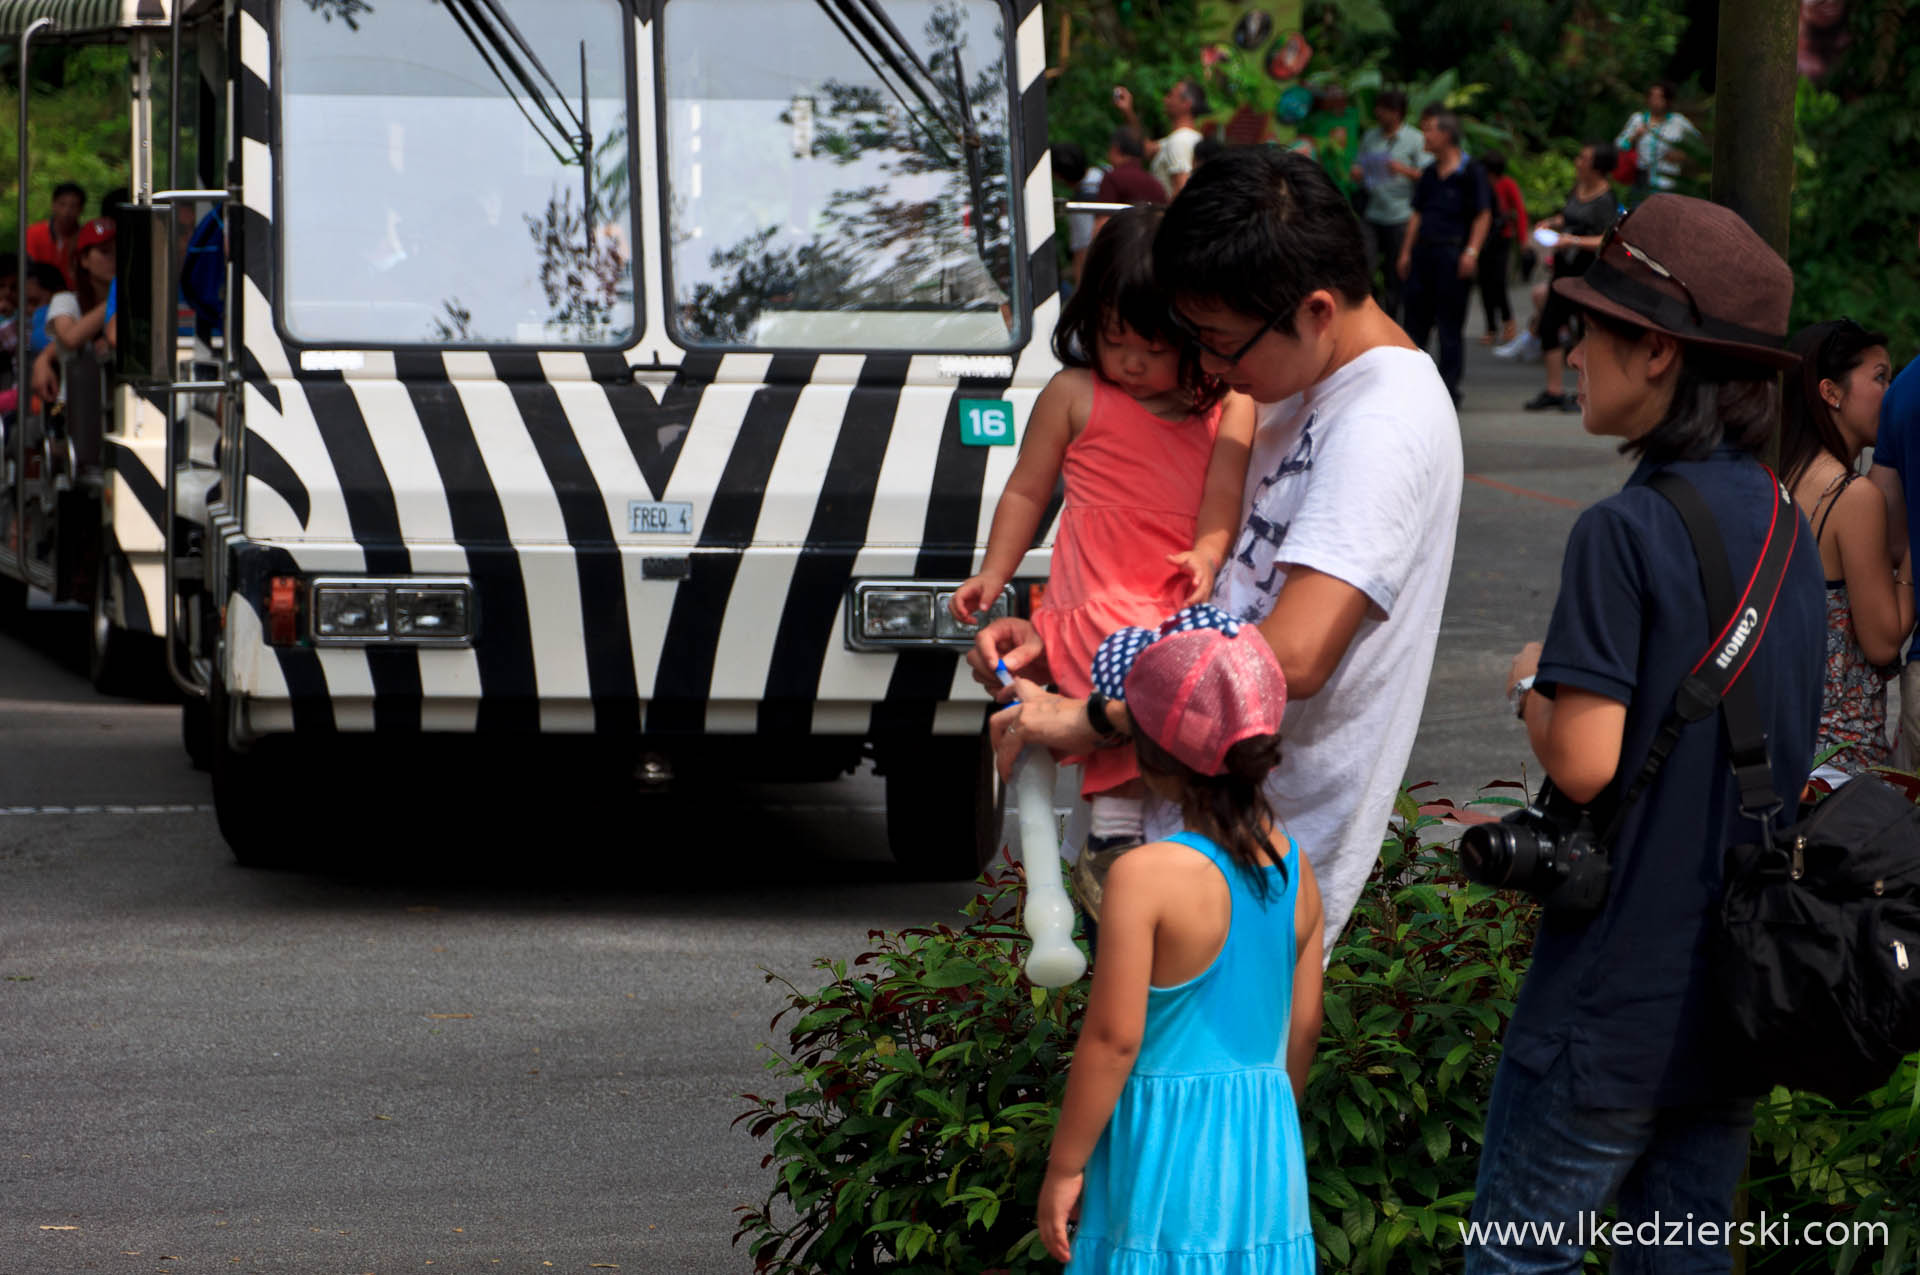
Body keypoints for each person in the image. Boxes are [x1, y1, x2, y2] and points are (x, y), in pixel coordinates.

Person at [974, 147, 1463, 955]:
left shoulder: (1382, 426)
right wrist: (1067, 642)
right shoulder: (1294, 386)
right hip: (1178, 848)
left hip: (1241, 881)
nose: (1203, 367)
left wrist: (1098, 717)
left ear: (1312, 310)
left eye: (1217, 342)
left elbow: (1292, 655)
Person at [1470, 195, 1824, 1274]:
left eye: (1592, 330)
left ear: (1660, 352)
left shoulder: (1623, 531)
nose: (1572, 354)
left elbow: (1584, 759)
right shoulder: (1786, 525)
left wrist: (1535, 683)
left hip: (1607, 1005)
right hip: (1729, 1002)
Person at [949, 206, 1253, 853]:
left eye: (1154, 348)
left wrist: (1207, 549)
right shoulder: (1074, 393)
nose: (1132, 363)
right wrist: (994, 573)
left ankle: (1156, 848)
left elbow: (1224, 494)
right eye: (1115, 341)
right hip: (1097, 602)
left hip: (1177, 599)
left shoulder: (1228, 406)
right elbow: (1026, 489)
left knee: (1177, 704)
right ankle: (1113, 841)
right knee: (1125, 663)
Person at [1034, 623, 1322, 1274]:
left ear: (1153, 752)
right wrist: (1265, 1119)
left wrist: (1064, 1165)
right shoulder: (1296, 869)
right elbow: (1303, 1027)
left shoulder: (1146, 874)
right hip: (1263, 1151)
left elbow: (1113, 1040)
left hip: (1168, 1151)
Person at [1779, 319, 1906, 778]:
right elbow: (1881, 640)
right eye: (1880, 377)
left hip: (1782, 746)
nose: (1891, 393)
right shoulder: (1850, 497)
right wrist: (1914, 552)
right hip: (1839, 759)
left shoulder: (1779, 477)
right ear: (1831, 392)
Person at [1503, 141, 1621, 411]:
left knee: (1588, 331)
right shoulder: (1578, 189)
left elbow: (1607, 239)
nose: (1578, 161)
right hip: (1563, 271)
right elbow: (1569, 215)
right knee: (1549, 325)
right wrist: (1554, 223)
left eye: (1584, 157)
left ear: (1597, 166)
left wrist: (1573, 241)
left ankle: (1592, 391)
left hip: (1588, 272)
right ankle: (1554, 389)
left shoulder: (1605, 198)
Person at [1396, 108, 1491, 407]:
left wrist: (1472, 251)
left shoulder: (1470, 171)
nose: (1425, 136)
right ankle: (1413, 385)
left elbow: (1483, 214)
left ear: (1446, 135)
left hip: (1453, 251)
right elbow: (1417, 213)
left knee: (1450, 324)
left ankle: (1448, 389)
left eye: (1429, 130)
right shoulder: (1428, 173)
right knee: (1415, 322)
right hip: (1424, 250)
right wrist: (1406, 251)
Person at [1350, 89, 1428, 323]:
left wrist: (1401, 170)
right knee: (1365, 265)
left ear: (1396, 113)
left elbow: (1428, 176)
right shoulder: (1371, 137)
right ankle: (1369, 314)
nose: (1378, 113)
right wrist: (1358, 173)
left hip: (1400, 215)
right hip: (1373, 212)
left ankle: (1393, 319)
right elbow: (1357, 166)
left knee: (1397, 272)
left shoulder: (1415, 139)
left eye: (1383, 109)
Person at [31, 218, 116, 406]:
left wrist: (44, 357)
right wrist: (117, 297)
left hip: (119, 408)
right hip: (76, 410)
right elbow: (70, 338)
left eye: (119, 251)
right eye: (105, 252)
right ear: (84, 260)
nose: (114, 259)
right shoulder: (65, 301)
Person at [1111, 78, 1208, 198]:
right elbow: (1145, 148)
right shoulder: (1188, 138)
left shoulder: (1179, 141)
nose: (1165, 99)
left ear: (1186, 104)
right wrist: (1128, 111)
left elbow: (1182, 191)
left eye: (1170, 95)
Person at [1477, 150, 1529, 346]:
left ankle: (1508, 322)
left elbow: (1520, 211)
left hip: (1502, 238)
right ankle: (1490, 328)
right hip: (1483, 238)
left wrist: (1523, 240)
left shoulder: (1507, 184)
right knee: (1484, 284)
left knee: (1497, 282)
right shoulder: (1480, 186)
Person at [1614, 80, 1699, 199]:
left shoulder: (1678, 122)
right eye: (1652, 97)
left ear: (1668, 100)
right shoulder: (1638, 119)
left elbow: (1698, 145)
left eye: (1659, 98)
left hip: (1668, 182)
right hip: (1641, 179)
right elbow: (1619, 145)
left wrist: (1683, 155)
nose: (1655, 101)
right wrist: (1635, 136)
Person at [1052, 142, 1106, 293]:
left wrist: (1080, 293)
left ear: (1058, 176)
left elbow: (1082, 252)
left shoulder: (1079, 206)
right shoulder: (1104, 172)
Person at [26, 181, 87, 291]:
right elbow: (28, 269)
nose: (67, 211)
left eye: (73, 206)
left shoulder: (86, 239)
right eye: (62, 204)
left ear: (81, 209)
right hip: (38, 295)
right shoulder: (34, 233)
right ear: (53, 205)